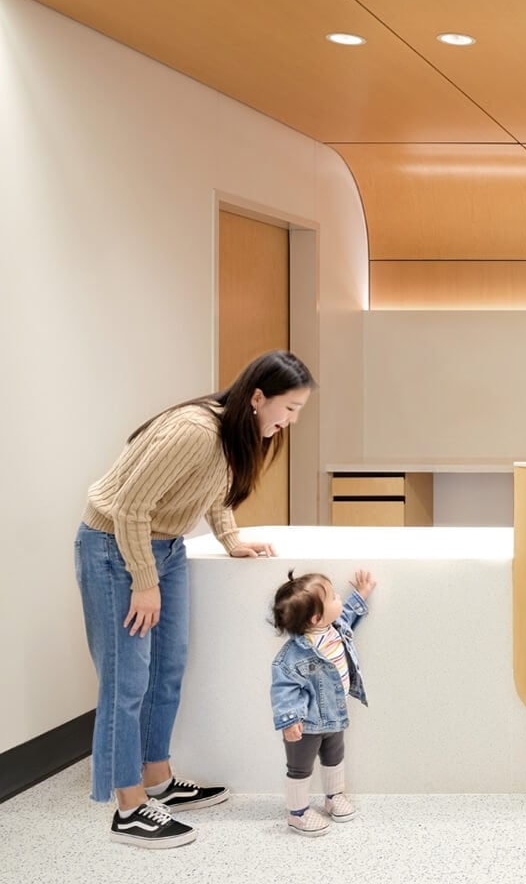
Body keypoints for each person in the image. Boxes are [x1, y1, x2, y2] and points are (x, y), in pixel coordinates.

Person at [75, 349, 315, 849]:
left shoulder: (230, 435)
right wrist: (143, 579)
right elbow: (130, 507)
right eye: (288, 409)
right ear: (257, 398)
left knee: (168, 667)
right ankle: (129, 807)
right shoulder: (196, 431)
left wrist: (231, 540)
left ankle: (158, 778)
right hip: (115, 549)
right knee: (127, 678)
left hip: (165, 547)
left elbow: (212, 490)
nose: (290, 422)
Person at [270, 568, 377, 836]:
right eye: (333, 597)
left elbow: (349, 614)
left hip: (335, 716)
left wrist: (362, 594)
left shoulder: (335, 629)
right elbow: (283, 689)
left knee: (334, 758)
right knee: (299, 768)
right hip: (306, 724)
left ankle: (334, 796)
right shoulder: (291, 657)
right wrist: (289, 720)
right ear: (316, 617)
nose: (339, 598)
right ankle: (298, 814)